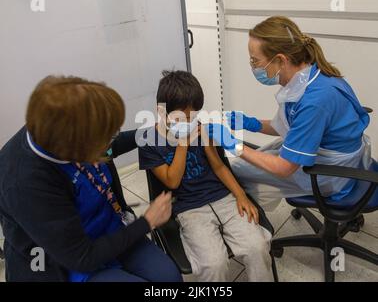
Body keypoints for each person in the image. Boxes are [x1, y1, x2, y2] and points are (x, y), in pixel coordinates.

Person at [0, 76, 182, 282]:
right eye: (106, 137)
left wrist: (153, 133)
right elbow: (82, 257)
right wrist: (147, 221)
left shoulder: (58, 127)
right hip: (70, 259)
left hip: (108, 227)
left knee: (169, 276)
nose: (110, 142)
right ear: (76, 147)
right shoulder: (25, 184)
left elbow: (111, 145)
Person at [208, 16, 371, 211]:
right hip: (331, 152)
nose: (252, 66)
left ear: (280, 60)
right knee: (255, 157)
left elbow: (284, 167)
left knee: (236, 170)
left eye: (255, 60)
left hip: (334, 173)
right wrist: (252, 123)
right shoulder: (309, 77)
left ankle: (251, 220)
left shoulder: (314, 101)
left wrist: (233, 144)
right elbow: (293, 126)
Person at [138, 70, 273, 282]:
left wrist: (240, 195)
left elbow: (219, 167)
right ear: (163, 113)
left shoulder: (201, 130)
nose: (191, 121)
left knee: (257, 246)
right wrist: (183, 141)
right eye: (184, 117)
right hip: (189, 208)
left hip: (223, 197)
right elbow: (172, 180)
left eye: (194, 115)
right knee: (213, 263)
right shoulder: (149, 141)